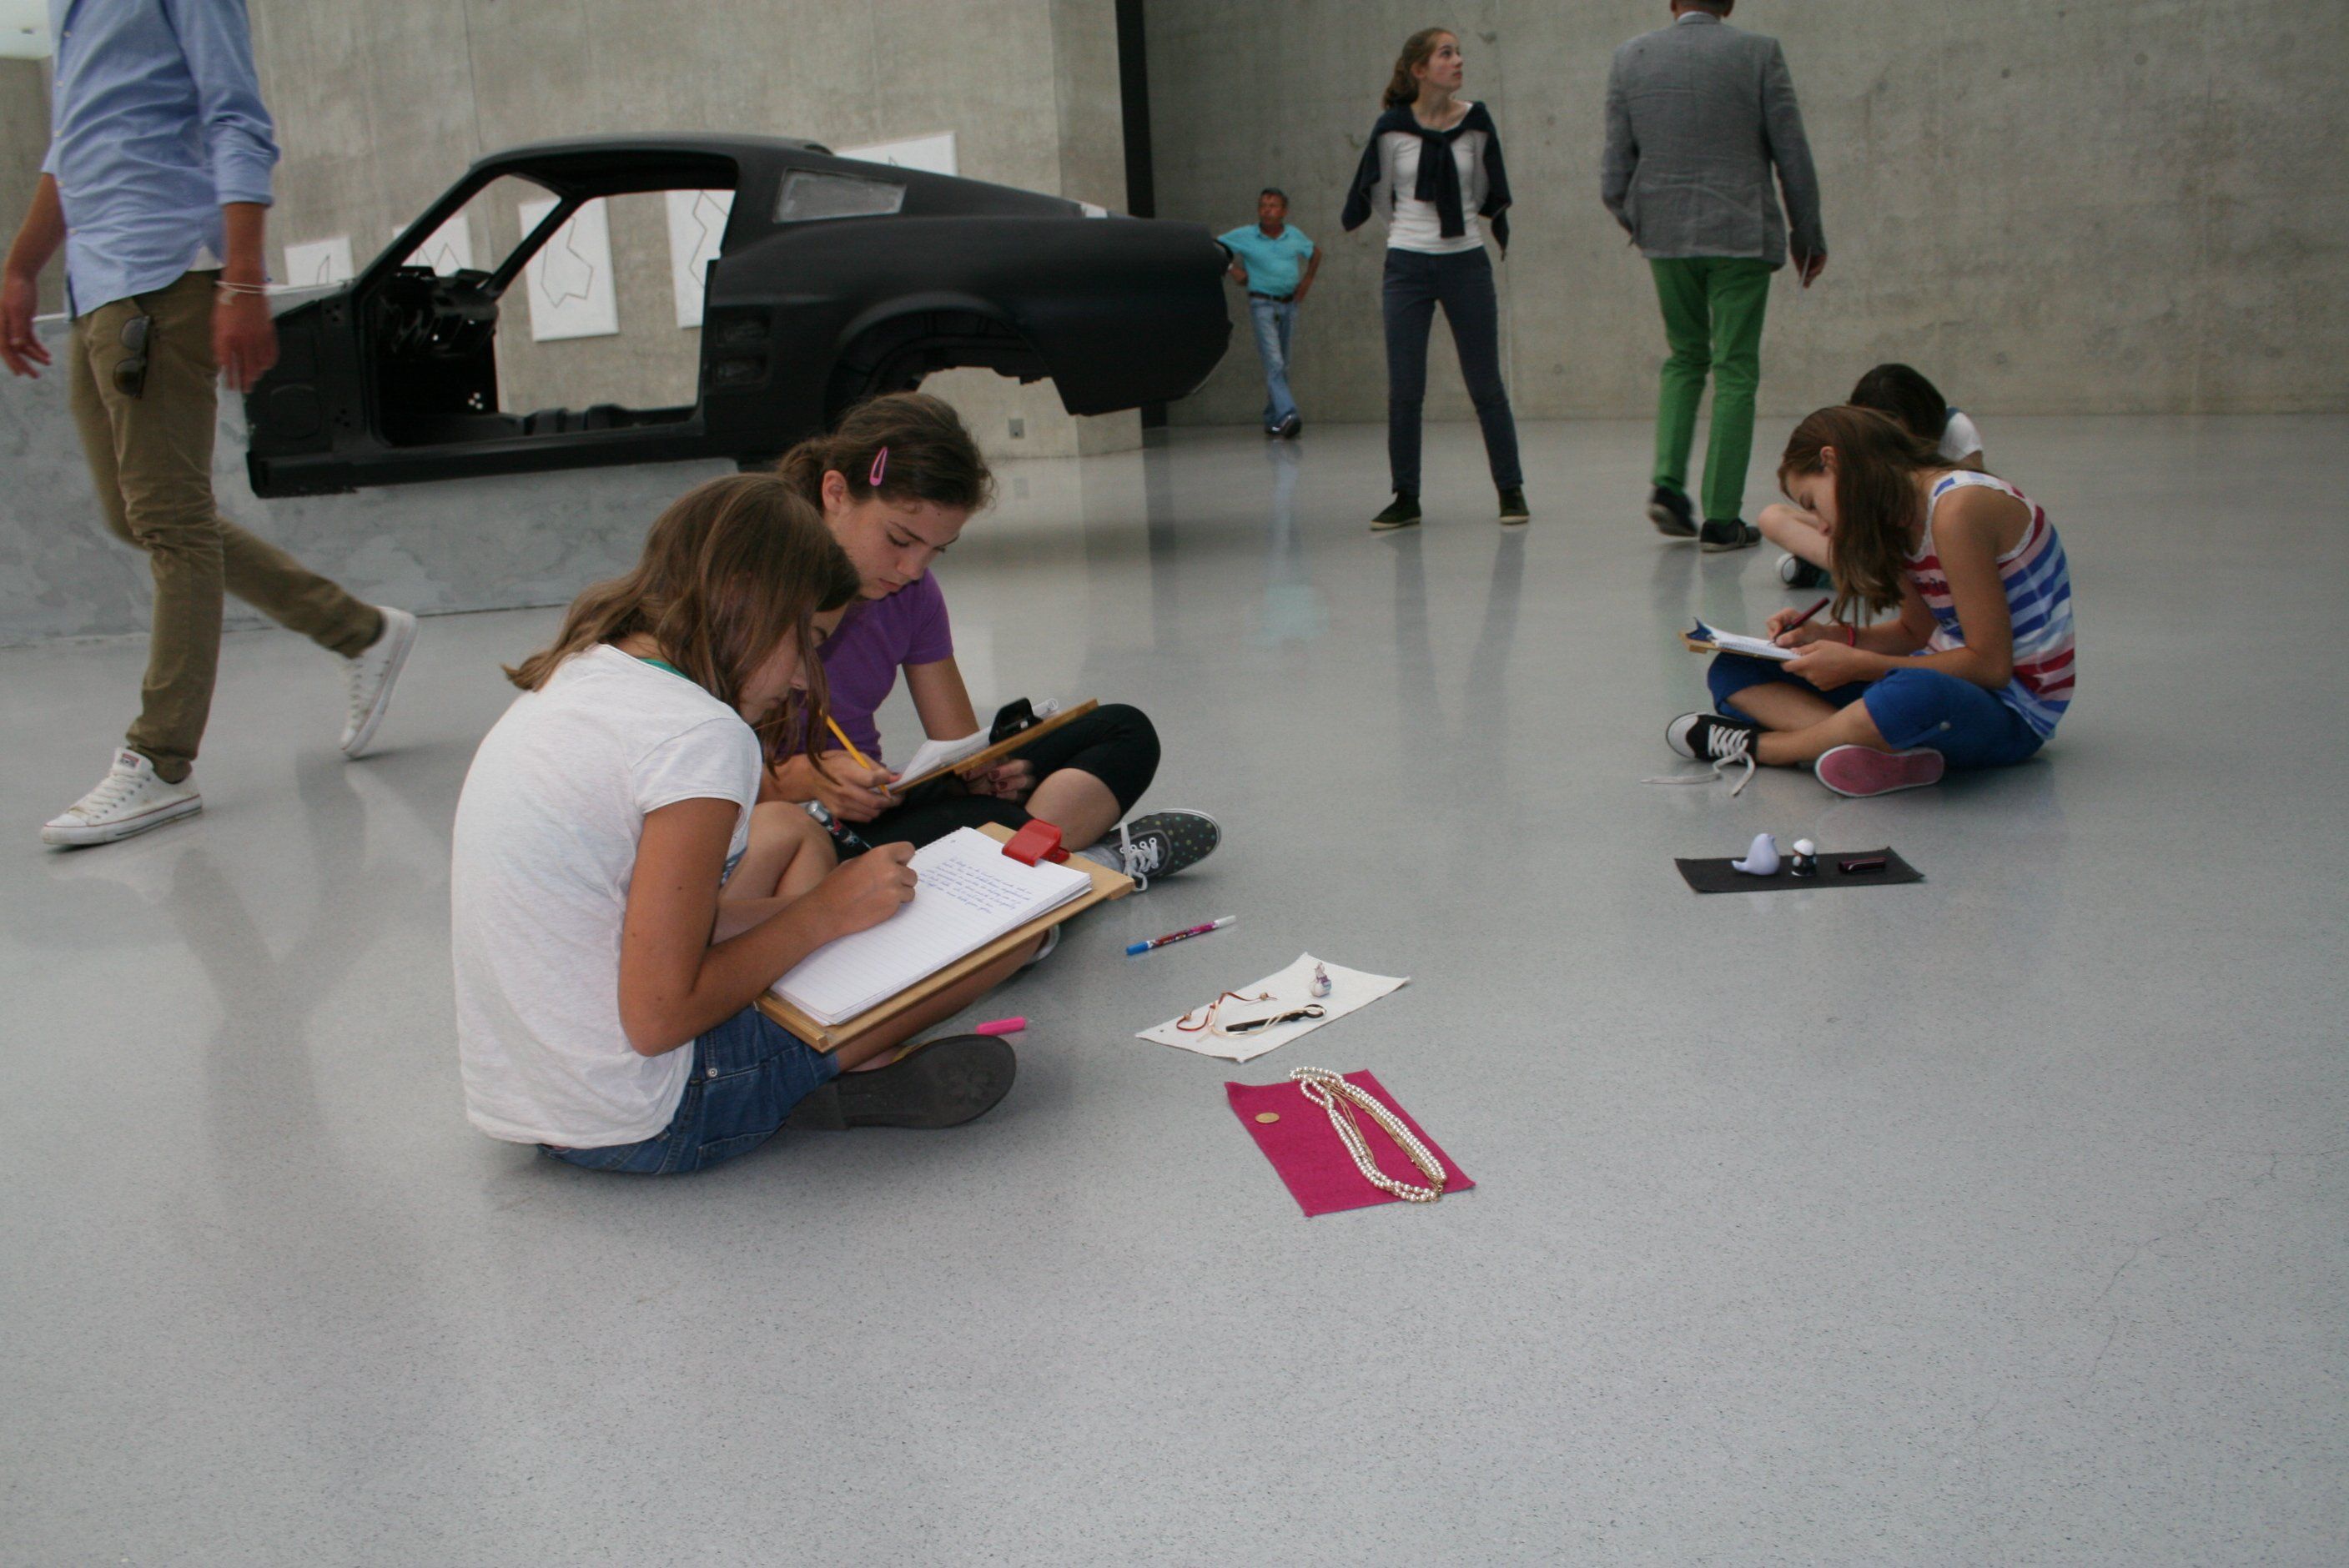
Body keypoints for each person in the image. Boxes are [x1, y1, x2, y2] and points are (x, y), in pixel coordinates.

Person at [453, 474, 1032, 1176]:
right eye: (809, 641)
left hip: (541, 1106)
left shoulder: (583, 676)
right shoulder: (701, 733)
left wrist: (829, 907)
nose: (803, 680)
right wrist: (820, 915)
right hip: (652, 1116)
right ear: (750, 601)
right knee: (1003, 940)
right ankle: (821, 1075)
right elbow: (659, 1017)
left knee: (799, 846)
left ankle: (829, 1064)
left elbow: (646, 923)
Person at [3, 0, 415, 848]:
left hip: (163, 274)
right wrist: (21, 268)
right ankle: (359, 630)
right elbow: (73, 146)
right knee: (136, 515)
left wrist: (245, 279)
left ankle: (160, 760)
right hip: (97, 285)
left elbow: (238, 120)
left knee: (171, 523)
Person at [765, 393, 1220, 887]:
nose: (912, 568)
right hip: (789, 827)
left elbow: (958, 748)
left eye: (936, 550)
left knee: (1123, 731)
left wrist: (990, 773)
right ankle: (1082, 867)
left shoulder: (913, 592)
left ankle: (1017, 871)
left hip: (875, 801)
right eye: (899, 539)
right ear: (835, 492)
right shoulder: (759, 582)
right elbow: (706, 781)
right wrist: (807, 778)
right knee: (980, 824)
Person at [1664, 405, 2075, 798]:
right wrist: (1826, 637)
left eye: (1812, 503)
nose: (1822, 526)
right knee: (1736, 667)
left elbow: (1991, 667)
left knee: (1912, 693)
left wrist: (1859, 664)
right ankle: (1874, 748)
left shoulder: (1957, 509)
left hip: (2009, 713)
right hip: (1941, 682)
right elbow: (1914, 632)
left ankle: (1764, 748)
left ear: (1832, 462)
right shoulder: (1898, 517)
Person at [1602, 0, 1825, 552]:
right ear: (1728, 3)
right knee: (1735, 369)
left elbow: (1614, 172)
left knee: (1685, 356)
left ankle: (1667, 483)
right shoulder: (1759, 54)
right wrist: (1807, 234)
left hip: (1667, 237)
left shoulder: (1631, 57)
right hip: (1741, 234)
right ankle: (1722, 518)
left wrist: (1644, 223)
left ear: (1672, 2)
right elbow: (1791, 153)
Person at [1341, 27, 1527, 532]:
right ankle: (1406, 497)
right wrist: (1411, 234)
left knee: (1485, 383)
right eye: (1447, 54)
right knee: (1405, 388)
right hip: (1406, 265)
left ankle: (1510, 490)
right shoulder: (1391, 129)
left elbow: (1485, 189)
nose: (1459, 60)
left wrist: (1453, 228)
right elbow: (1379, 194)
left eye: (1459, 52)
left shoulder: (1477, 122)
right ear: (1420, 69)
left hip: (1466, 262)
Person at [1763, 363, 1987, 588]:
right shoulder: (1853, 453)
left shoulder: (1954, 444)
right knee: (1772, 517)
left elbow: (1971, 510)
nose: (1883, 440)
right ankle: (1854, 572)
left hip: (1923, 542)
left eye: (1892, 432)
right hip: (1878, 537)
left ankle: (1853, 575)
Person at [1220, 188, 1320, 439]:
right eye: (1263, 205)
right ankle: (1288, 414)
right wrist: (1232, 268)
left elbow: (1315, 253)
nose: (1267, 210)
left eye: (1273, 206)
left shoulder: (1293, 235)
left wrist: (1307, 280)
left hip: (1289, 303)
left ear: (1284, 211)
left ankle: (1273, 419)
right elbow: (1213, 246)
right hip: (1262, 304)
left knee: (1283, 364)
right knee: (1274, 361)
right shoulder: (1246, 235)